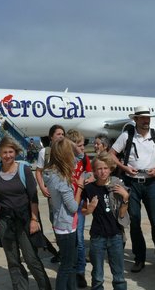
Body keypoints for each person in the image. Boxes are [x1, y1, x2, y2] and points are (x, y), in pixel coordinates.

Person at [109, 105, 155, 273]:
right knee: (135, 222)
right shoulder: (126, 135)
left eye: (148, 118)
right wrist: (124, 167)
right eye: (143, 118)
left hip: (150, 183)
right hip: (132, 183)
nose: (146, 121)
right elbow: (111, 153)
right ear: (135, 119)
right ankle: (139, 258)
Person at [0, 137, 51, 290]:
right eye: (4, 152)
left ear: (15, 153)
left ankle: (45, 287)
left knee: (31, 259)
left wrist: (34, 219)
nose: (8, 155)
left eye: (11, 152)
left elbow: (33, 197)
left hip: (24, 219)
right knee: (13, 260)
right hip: (5, 221)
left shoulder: (24, 170)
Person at [82, 153, 129, 290]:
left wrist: (125, 197)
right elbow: (84, 211)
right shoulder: (89, 188)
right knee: (97, 276)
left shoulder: (117, 186)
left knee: (119, 276)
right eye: (99, 169)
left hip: (116, 235)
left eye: (105, 168)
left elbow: (121, 214)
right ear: (94, 171)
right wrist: (90, 208)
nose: (102, 171)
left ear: (110, 169)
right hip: (98, 236)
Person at [43, 138, 84, 290]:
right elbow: (73, 207)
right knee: (67, 266)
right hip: (65, 226)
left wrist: (66, 141)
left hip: (65, 224)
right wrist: (79, 187)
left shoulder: (53, 172)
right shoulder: (60, 179)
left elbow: (80, 156)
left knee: (71, 264)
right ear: (66, 155)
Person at [66, 129, 95, 288]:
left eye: (83, 145)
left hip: (80, 202)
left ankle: (80, 272)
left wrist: (84, 180)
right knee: (69, 238)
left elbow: (91, 175)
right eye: (79, 145)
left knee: (79, 238)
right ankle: (70, 268)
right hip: (66, 202)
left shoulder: (84, 159)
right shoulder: (64, 160)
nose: (83, 148)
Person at [35, 124, 66, 263]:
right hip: (52, 194)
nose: (61, 136)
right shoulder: (45, 152)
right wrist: (42, 187)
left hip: (67, 193)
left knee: (70, 221)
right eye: (58, 134)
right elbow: (39, 171)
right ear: (51, 137)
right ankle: (62, 250)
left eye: (62, 134)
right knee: (55, 221)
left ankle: (72, 250)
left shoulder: (68, 150)